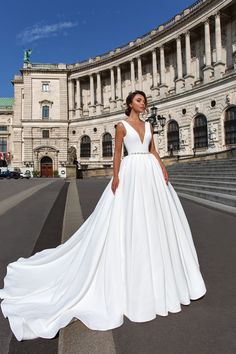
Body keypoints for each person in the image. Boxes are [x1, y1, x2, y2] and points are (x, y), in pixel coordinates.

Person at [0, 90, 206, 341]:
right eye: (140, 100)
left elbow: (153, 150)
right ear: (130, 103)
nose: (144, 104)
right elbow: (118, 154)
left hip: (150, 173)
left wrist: (162, 168)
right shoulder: (121, 126)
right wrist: (116, 177)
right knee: (130, 218)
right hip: (132, 173)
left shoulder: (149, 124)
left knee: (158, 220)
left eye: (145, 101)